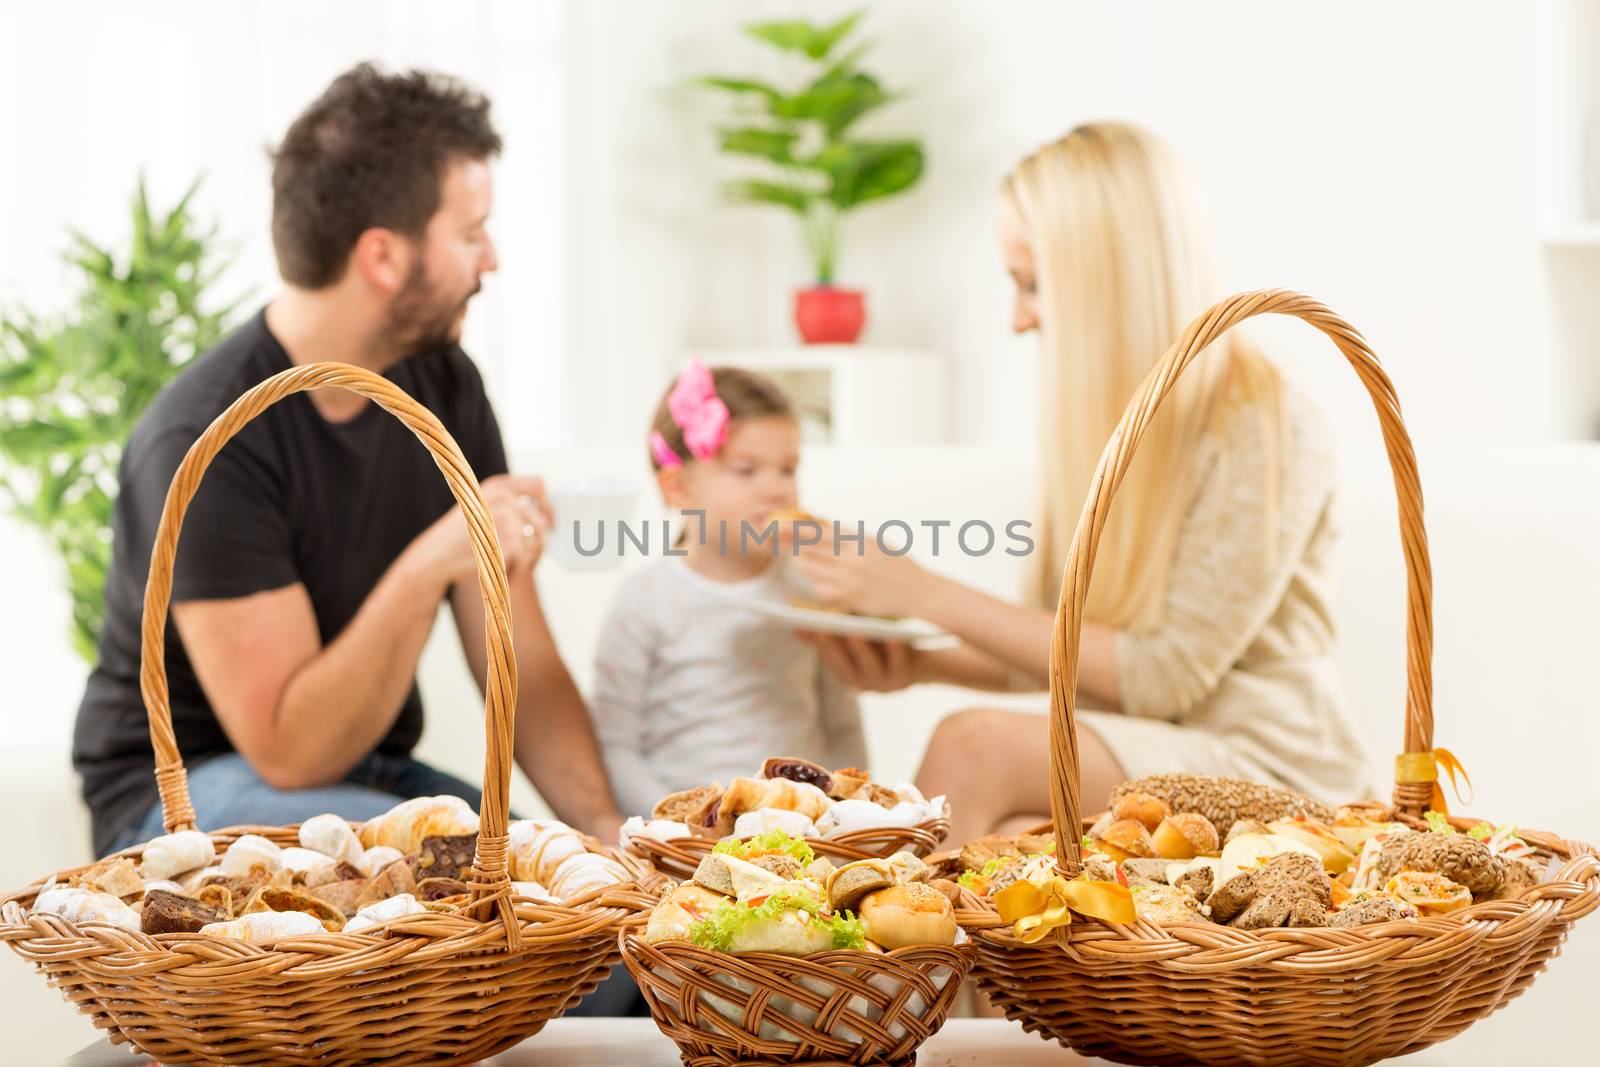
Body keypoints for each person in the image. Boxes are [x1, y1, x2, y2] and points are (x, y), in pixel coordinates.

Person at [73, 64, 624, 859]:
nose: (492, 259)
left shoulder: (444, 385)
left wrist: (608, 839)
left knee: (576, 905)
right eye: (471, 233)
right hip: (186, 794)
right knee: (475, 893)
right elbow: (291, 750)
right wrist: (428, 562)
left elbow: (522, 664)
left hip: (365, 776)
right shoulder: (207, 436)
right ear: (383, 257)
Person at [794, 122, 1372, 844]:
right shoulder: (1111, 427)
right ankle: (884, 951)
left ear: (1102, 280)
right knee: (1003, 835)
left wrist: (922, 592)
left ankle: (870, 955)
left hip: (1279, 770)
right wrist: (917, 660)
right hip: (1155, 754)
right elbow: (1070, 652)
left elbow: (1160, 675)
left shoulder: (1267, 423)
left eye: (1032, 284)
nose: (1018, 318)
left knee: (971, 748)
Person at [590, 361, 867, 819]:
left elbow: (841, 724)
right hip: (683, 840)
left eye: (788, 469)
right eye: (746, 470)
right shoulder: (645, 601)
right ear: (679, 487)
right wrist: (682, 822)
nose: (777, 489)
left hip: (803, 830)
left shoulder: (811, 591)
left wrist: (845, 816)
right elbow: (617, 746)